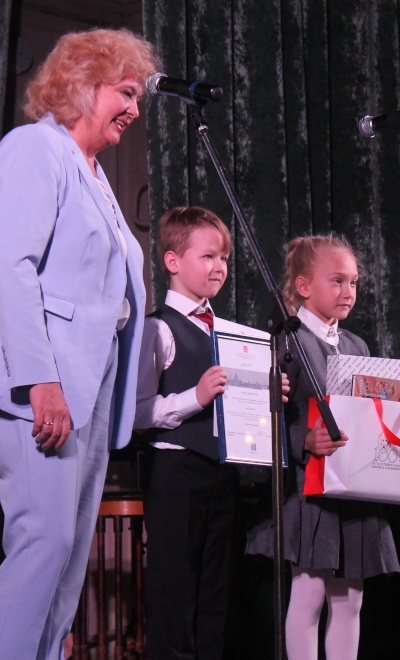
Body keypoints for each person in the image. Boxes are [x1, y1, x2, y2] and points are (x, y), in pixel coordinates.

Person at [0, 28, 159, 660]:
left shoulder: (93, 172)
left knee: (66, 557)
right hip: (43, 381)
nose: (135, 108)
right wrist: (40, 381)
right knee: (43, 542)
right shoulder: (34, 148)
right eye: (126, 92)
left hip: (90, 384)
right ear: (84, 85)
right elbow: (10, 265)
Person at [246, 234, 400, 660]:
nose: (348, 291)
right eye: (337, 281)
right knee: (309, 594)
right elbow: (260, 419)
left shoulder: (354, 345)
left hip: (353, 487)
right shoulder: (285, 343)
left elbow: (370, 415)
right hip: (310, 490)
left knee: (350, 600)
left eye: (353, 282)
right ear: (303, 286)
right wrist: (303, 440)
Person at [133, 206, 242, 659]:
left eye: (224, 258)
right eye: (208, 256)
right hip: (176, 471)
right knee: (174, 594)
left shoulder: (229, 332)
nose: (219, 267)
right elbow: (136, 413)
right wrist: (194, 398)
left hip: (223, 472)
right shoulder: (158, 328)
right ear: (173, 261)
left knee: (215, 596)